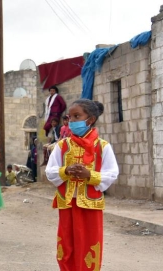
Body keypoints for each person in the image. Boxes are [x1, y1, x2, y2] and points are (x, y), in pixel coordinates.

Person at [45, 99, 119, 271]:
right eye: (70, 117)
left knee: (89, 245)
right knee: (66, 246)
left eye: (77, 116)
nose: (72, 121)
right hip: (67, 202)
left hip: (90, 205)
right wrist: (66, 170)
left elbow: (111, 173)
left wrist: (90, 175)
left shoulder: (102, 147)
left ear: (90, 119)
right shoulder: (62, 146)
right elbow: (51, 171)